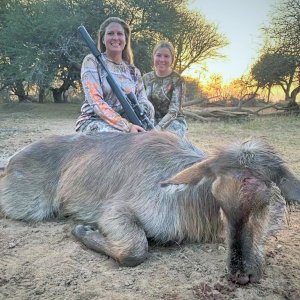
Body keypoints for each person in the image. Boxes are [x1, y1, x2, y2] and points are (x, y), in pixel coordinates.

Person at [76, 17, 154, 134]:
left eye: (119, 34)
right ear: (103, 39)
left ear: (126, 39)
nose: (115, 37)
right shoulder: (92, 61)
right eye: (110, 33)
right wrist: (127, 127)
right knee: (119, 138)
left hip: (128, 122)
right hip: (94, 120)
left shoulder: (134, 71)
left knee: (148, 110)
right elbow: (96, 102)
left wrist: (143, 121)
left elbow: (143, 100)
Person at [143, 41, 187, 137]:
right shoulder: (146, 78)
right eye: (158, 55)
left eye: (166, 56)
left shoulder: (178, 80)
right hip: (150, 120)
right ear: (153, 57)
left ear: (172, 59)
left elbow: (173, 112)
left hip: (173, 122)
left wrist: (157, 129)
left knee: (164, 141)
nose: (162, 59)